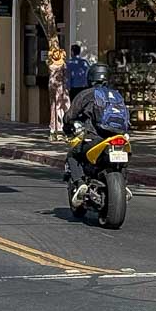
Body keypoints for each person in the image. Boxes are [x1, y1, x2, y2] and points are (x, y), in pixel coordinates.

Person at [64, 62, 128, 209]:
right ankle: (123, 184)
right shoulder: (116, 95)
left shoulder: (86, 94)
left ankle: (80, 184)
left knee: (72, 155)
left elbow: (69, 116)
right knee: (121, 159)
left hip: (94, 139)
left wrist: (67, 128)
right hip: (119, 138)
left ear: (90, 78)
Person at [47, 42, 68, 141]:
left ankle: (55, 129)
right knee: (59, 108)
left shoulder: (51, 63)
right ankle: (59, 129)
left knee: (55, 107)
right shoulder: (62, 64)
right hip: (59, 87)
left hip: (55, 86)